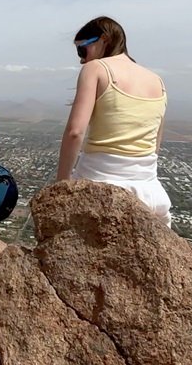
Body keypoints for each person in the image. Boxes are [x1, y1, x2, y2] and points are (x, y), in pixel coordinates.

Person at [55, 16, 172, 227]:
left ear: (104, 39)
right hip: (152, 195)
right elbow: (155, 144)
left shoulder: (96, 69)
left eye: (82, 50)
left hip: (100, 187)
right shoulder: (157, 81)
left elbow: (75, 132)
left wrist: (61, 186)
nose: (82, 60)